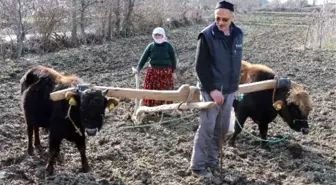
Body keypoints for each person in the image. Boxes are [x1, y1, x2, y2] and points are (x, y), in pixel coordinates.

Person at [190, 0, 244, 178]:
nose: (220, 22)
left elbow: (236, 63)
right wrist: (212, 90)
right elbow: (200, 66)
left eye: (224, 19)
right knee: (207, 127)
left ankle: (212, 162)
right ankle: (198, 166)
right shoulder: (206, 36)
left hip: (229, 90)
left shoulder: (238, 34)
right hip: (210, 90)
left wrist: (235, 87)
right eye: (217, 18)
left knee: (221, 129)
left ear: (232, 18)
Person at [133, 27, 177, 107]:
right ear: (153, 36)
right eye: (156, 35)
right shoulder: (151, 46)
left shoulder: (168, 46)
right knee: (151, 89)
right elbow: (144, 58)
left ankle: (165, 107)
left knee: (165, 90)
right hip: (153, 73)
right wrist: (138, 68)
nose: (157, 37)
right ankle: (151, 106)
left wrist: (173, 72)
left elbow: (173, 59)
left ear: (163, 35)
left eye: (159, 35)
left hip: (165, 73)